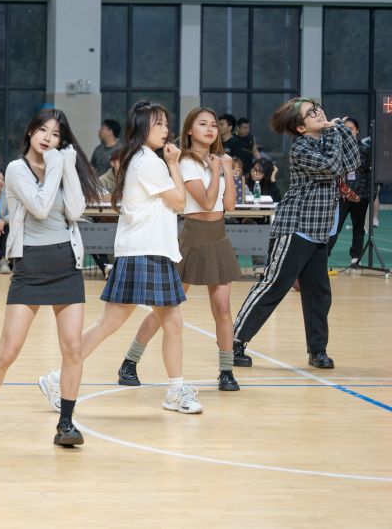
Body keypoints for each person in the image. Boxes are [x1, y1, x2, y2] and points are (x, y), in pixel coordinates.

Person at [40, 100, 203, 416]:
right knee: (141, 324)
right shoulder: (149, 162)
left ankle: (59, 378)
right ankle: (58, 378)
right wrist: (174, 163)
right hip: (146, 252)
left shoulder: (139, 159)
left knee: (156, 324)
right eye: (158, 124)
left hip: (145, 251)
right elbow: (180, 201)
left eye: (166, 123)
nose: (166, 129)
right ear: (143, 128)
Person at [0, 109, 101, 448]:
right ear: (30, 132)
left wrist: (68, 168)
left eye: (56, 134)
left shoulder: (61, 166)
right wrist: (56, 166)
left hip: (66, 262)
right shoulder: (16, 169)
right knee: (8, 350)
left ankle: (66, 424)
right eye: (43, 131)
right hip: (30, 265)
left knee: (72, 349)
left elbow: (76, 210)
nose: (48, 139)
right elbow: (39, 206)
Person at [116, 107, 241, 392]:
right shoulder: (184, 161)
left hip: (219, 237)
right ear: (189, 130)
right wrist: (218, 170)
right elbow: (206, 202)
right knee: (165, 308)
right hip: (192, 238)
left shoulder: (217, 160)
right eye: (202, 124)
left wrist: (227, 170)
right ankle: (130, 361)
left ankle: (226, 370)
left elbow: (229, 205)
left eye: (213, 124)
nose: (210, 129)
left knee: (223, 309)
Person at [232, 99, 360, 370]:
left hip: (319, 231)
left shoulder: (327, 140)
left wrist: (341, 130)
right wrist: (334, 131)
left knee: (318, 293)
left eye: (318, 108)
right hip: (295, 227)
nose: (319, 112)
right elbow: (332, 166)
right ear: (301, 128)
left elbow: (352, 161)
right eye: (311, 112)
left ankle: (317, 350)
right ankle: (235, 341)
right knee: (273, 286)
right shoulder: (302, 147)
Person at [328, 117, 370, 266]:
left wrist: (369, 194)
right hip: (341, 195)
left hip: (360, 194)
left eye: (351, 129)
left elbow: (369, 173)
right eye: (344, 129)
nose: (347, 131)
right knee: (335, 226)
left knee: (358, 227)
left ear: (357, 131)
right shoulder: (336, 149)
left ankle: (356, 257)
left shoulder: (365, 149)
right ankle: (324, 254)